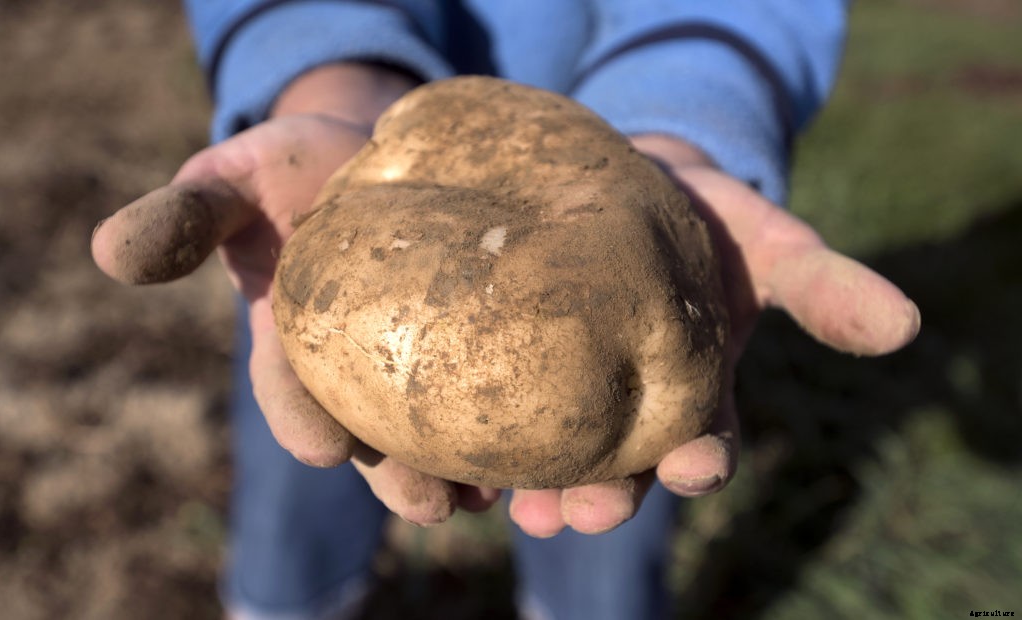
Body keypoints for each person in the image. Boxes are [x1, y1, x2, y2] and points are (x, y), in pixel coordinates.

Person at [91, 2, 920, 619]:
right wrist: (330, 70)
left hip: (621, 149)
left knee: (605, 552)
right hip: (359, 158)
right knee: (294, 490)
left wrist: (687, 121)